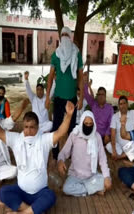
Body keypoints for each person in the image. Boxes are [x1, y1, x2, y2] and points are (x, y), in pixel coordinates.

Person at [0, 99, 75, 214]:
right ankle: (32, 210)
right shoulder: (16, 139)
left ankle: (21, 211)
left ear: (37, 128)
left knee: (51, 196)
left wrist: (69, 115)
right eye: (26, 127)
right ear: (23, 127)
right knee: (3, 192)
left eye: (32, 127)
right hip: (22, 191)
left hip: (40, 192)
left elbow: (60, 132)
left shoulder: (44, 140)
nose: (28, 131)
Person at [45, 26, 84, 161]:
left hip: (72, 99)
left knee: (72, 128)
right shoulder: (56, 55)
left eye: (67, 35)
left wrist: (81, 97)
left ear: (71, 37)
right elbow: (50, 77)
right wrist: (47, 97)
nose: (65, 38)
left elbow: (80, 77)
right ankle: (55, 154)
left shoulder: (77, 54)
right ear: (61, 37)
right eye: (63, 35)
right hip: (59, 98)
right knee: (56, 126)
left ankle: (70, 153)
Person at [58, 111, 111, 197]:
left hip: (91, 176)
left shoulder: (97, 137)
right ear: (82, 122)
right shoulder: (74, 134)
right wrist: (60, 160)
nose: (88, 126)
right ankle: (93, 190)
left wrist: (107, 177)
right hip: (75, 175)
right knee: (66, 189)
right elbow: (64, 152)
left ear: (93, 124)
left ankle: (85, 190)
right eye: (86, 123)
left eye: (90, 124)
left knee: (108, 181)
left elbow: (102, 159)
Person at [83, 76, 113, 144]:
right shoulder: (93, 104)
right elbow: (87, 95)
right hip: (92, 134)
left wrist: (107, 134)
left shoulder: (109, 108)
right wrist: (86, 84)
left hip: (104, 136)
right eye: (99, 94)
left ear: (105, 96)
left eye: (102, 94)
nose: (101, 96)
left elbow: (110, 122)